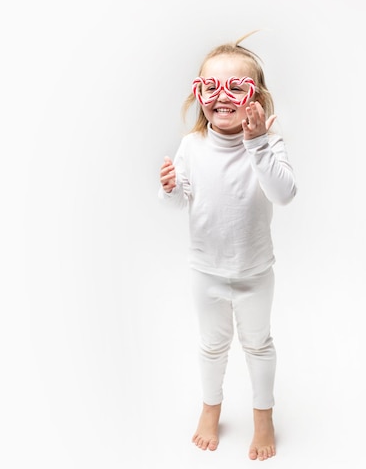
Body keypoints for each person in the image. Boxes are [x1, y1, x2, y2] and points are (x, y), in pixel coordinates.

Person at [158, 32, 297, 461]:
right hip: (207, 272)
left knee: (258, 344)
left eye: (237, 87)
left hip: (256, 272)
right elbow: (179, 203)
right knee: (211, 346)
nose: (224, 97)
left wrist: (256, 143)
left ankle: (262, 416)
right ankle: (210, 408)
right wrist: (169, 189)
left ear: (256, 98)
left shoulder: (268, 144)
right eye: (211, 87)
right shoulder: (191, 146)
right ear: (198, 93)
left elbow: (285, 193)